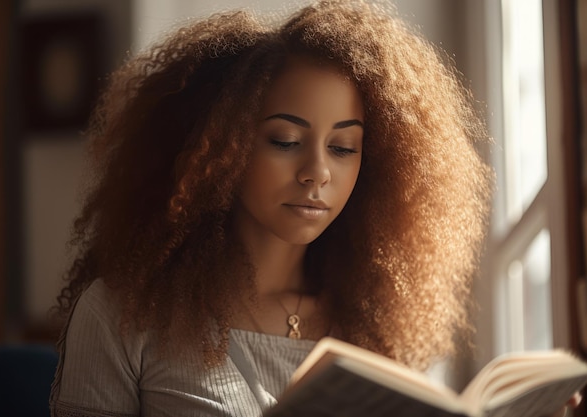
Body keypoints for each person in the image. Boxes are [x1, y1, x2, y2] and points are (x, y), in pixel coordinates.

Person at [48, 1, 580, 416]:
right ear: (215, 150)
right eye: (284, 140)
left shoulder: (372, 326)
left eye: (343, 148)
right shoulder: (120, 314)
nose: (318, 172)